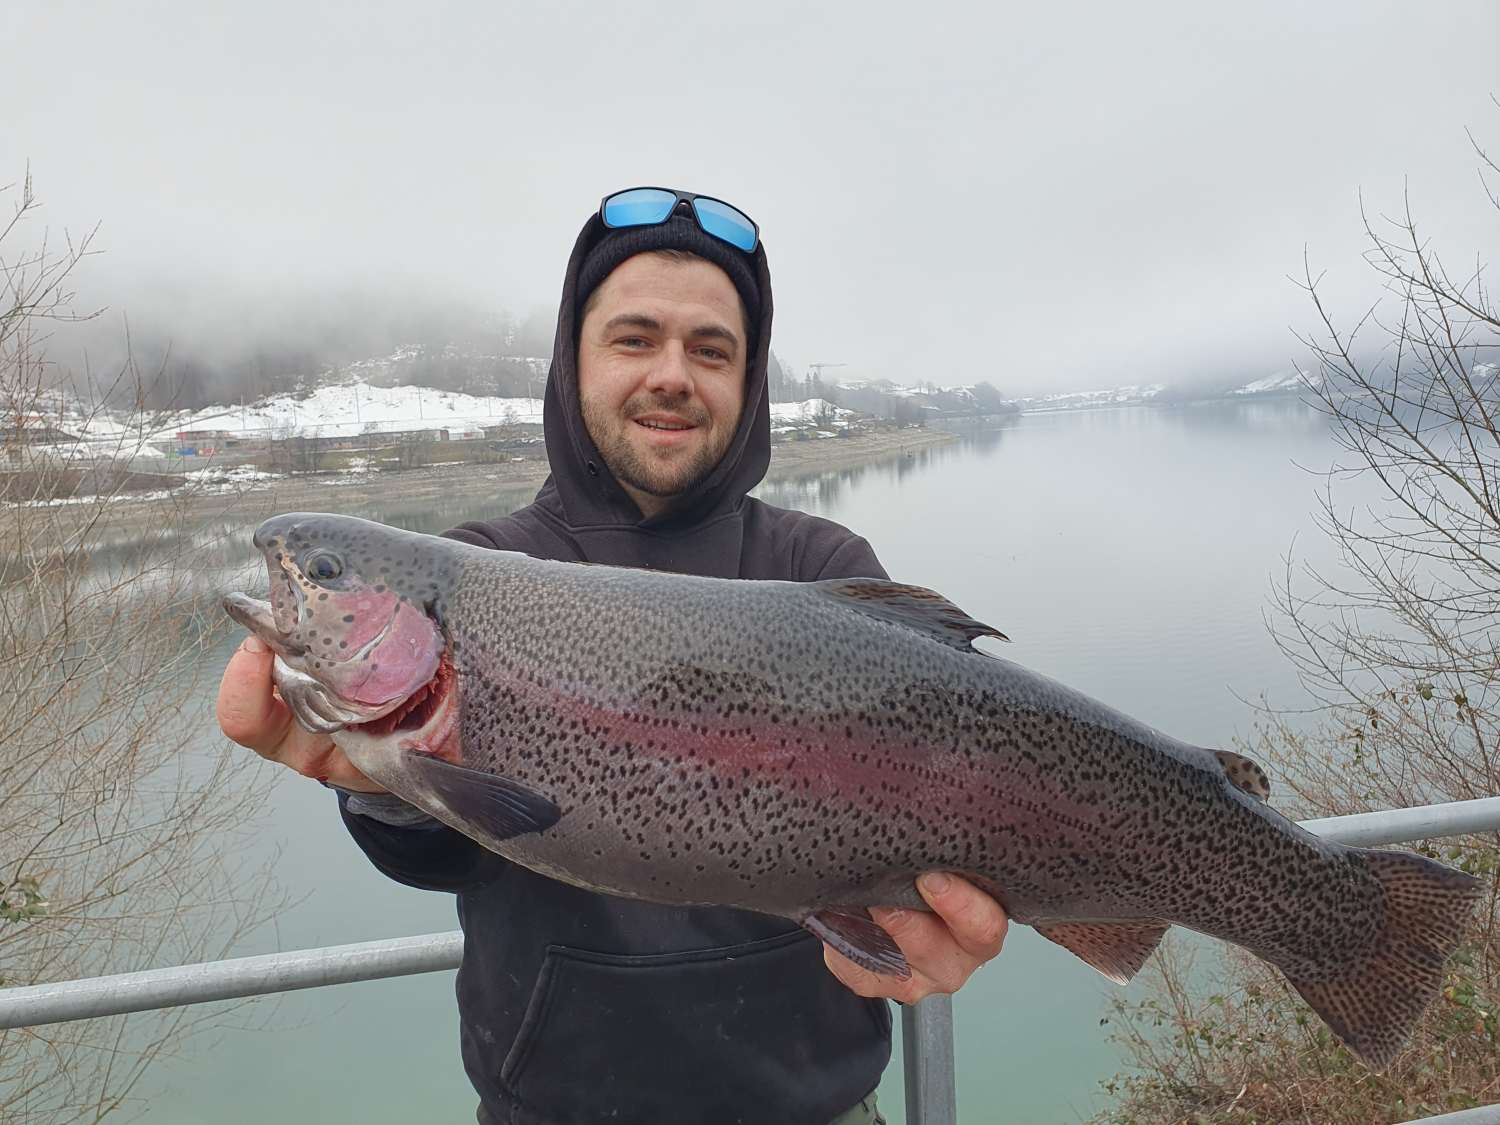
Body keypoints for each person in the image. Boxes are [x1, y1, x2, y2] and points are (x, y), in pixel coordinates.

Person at [217, 186, 1009, 1125]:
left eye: (710, 349)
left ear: (748, 380)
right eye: (634, 338)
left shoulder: (821, 571)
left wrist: (929, 933)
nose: (672, 373)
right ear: (574, 361)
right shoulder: (486, 565)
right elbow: (446, 850)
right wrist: (379, 782)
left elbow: (948, 810)